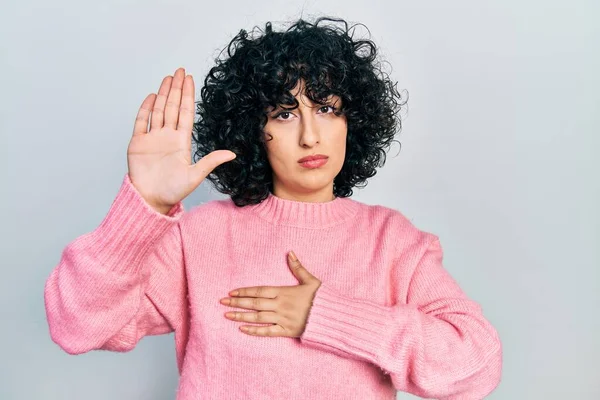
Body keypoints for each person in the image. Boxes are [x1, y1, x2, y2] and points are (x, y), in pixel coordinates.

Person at [44, 16, 502, 400]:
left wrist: (325, 316)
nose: (309, 135)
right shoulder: (198, 235)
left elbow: (476, 363)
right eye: (283, 114)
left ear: (353, 120)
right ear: (251, 130)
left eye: (326, 108)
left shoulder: (391, 239)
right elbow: (76, 327)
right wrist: (144, 207)